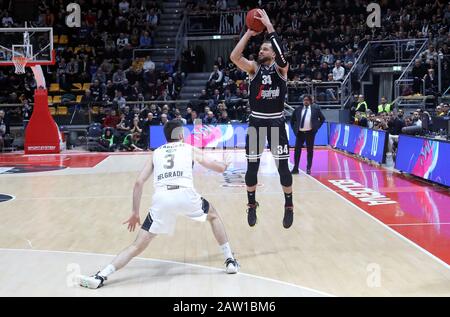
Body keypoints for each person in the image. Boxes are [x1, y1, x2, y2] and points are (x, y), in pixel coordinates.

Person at [77, 120, 239, 289]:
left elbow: (139, 183)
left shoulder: (156, 153)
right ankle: (230, 261)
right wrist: (226, 164)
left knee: (136, 246)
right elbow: (218, 168)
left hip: (162, 200)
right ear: (181, 135)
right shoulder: (190, 149)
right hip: (185, 195)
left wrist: (135, 212)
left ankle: (101, 276)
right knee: (213, 216)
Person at [230, 9, 294, 229]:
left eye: (265, 48)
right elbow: (234, 57)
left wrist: (269, 27)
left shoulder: (281, 69)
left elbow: (283, 56)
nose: (261, 50)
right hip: (257, 122)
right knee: (252, 168)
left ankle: (288, 205)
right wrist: (249, 33)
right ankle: (251, 205)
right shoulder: (253, 68)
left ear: (274, 53)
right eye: (260, 47)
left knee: (283, 169)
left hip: (277, 122)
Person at [290, 95, 325, 175]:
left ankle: (308, 168)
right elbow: (292, 121)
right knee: (297, 151)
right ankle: (295, 168)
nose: (305, 101)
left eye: (307, 100)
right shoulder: (298, 109)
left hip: (310, 133)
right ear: (302, 101)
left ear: (310, 101)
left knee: (310, 151)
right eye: (304, 100)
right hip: (300, 133)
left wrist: (316, 127)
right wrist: (294, 129)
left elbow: (322, 119)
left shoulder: (315, 110)